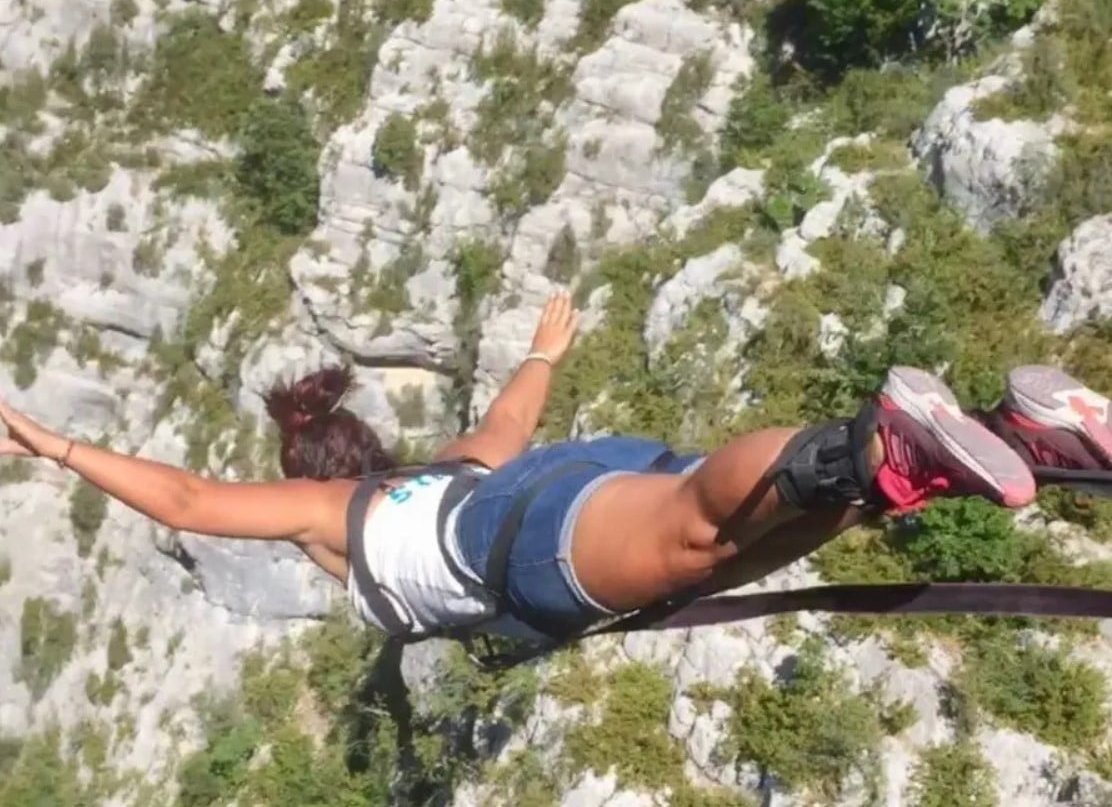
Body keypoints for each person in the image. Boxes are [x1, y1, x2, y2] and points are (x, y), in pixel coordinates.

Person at [2, 293, 1110, 644]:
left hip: (515, 548)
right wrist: (541, 349)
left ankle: (883, 435)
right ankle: (1004, 435)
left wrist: (55, 447)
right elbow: (509, 415)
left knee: (700, 529)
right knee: (774, 527)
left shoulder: (325, 512)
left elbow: (191, 500)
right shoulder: (441, 465)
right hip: (544, 481)